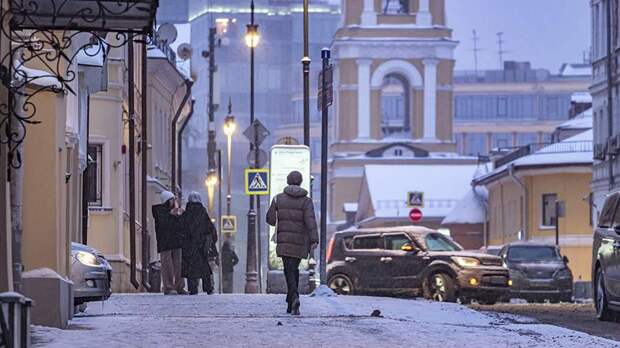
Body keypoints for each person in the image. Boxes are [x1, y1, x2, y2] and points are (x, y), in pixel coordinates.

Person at [266, 171, 318, 315]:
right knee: (293, 268)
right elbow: (310, 222)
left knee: (288, 269)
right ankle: (291, 299)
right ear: (300, 182)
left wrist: (277, 212)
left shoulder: (278, 199)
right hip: (300, 241)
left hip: (284, 240)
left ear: (288, 181)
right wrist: (314, 239)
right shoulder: (306, 201)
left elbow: (270, 220)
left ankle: (293, 296)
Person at [180, 192, 218, 295]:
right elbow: (211, 230)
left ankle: (193, 289)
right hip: (202, 246)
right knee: (205, 268)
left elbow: (181, 230)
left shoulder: (186, 214)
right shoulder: (203, 213)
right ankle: (208, 288)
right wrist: (211, 243)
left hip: (188, 247)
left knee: (191, 269)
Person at [152, 191, 187, 295]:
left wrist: (180, 215)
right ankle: (168, 286)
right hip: (166, 242)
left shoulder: (175, 211)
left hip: (176, 240)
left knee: (179, 264)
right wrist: (173, 215)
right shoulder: (160, 211)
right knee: (167, 265)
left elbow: (180, 226)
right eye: (172, 199)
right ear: (167, 200)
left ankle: (179, 286)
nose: (174, 202)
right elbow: (164, 225)